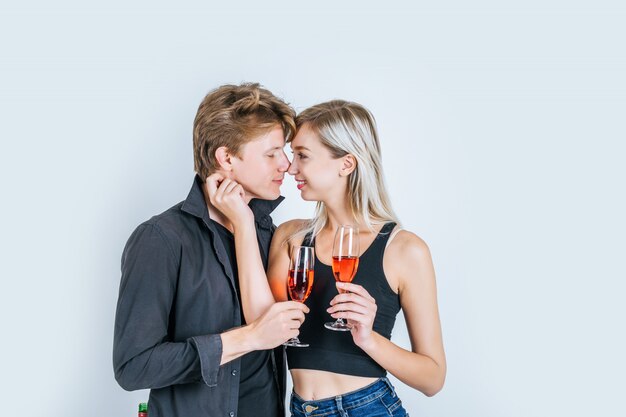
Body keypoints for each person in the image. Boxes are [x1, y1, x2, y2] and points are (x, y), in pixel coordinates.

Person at [207, 99, 446, 416]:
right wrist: (243, 223)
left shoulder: (405, 250)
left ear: (346, 164)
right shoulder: (291, 237)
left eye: (302, 156)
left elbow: (433, 378)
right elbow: (261, 322)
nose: (290, 167)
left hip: (369, 407)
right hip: (300, 409)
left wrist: (369, 339)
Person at [113, 83, 309, 417]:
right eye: (272, 153)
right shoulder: (161, 239)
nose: (286, 165)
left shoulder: (269, 235)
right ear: (226, 158)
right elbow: (133, 367)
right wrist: (247, 338)